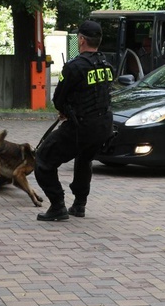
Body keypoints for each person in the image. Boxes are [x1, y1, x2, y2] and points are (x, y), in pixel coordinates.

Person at [34, 20, 114, 221]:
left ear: (81, 40)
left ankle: (57, 205)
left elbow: (58, 99)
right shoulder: (106, 64)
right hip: (104, 126)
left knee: (43, 159)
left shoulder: (74, 67)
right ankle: (79, 205)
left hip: (81, 127)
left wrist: (66, 110)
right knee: (84, 159)